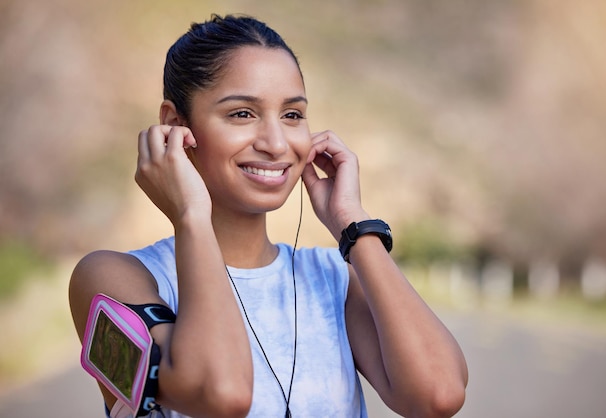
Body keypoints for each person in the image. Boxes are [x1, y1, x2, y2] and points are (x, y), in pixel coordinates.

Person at [69, 14, 468, 418]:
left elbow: (438, 396)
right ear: (175, 125)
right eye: (242, 113)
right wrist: (191, 216)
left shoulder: (333, 279)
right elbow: (220, 393)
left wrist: (354, 226)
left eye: (292, 115)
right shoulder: (108, 281)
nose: (277, 144)